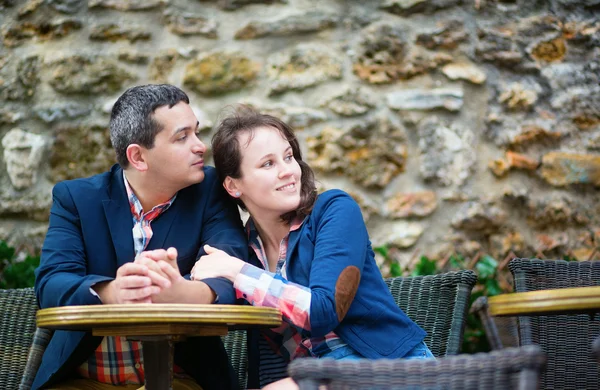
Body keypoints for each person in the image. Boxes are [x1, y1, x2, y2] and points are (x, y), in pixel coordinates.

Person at [190, 106, 433, 389]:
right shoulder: (246, 247)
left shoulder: (334, 211)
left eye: (288, 157)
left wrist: (237, 271)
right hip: (312, 379)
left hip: (385, 371)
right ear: (233, 186)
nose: (287, 172)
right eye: (268, 164)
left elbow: (322, 311)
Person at [33, 84, 250, 390]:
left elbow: (233, 269)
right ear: (138, 157)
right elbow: (51, 284)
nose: (200, 146)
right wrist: (112, 292)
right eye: (182, 137)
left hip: (181, 380)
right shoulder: (77, 199)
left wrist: (183, 293)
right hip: (82, 380)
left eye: (196, 132)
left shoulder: (210, 189)